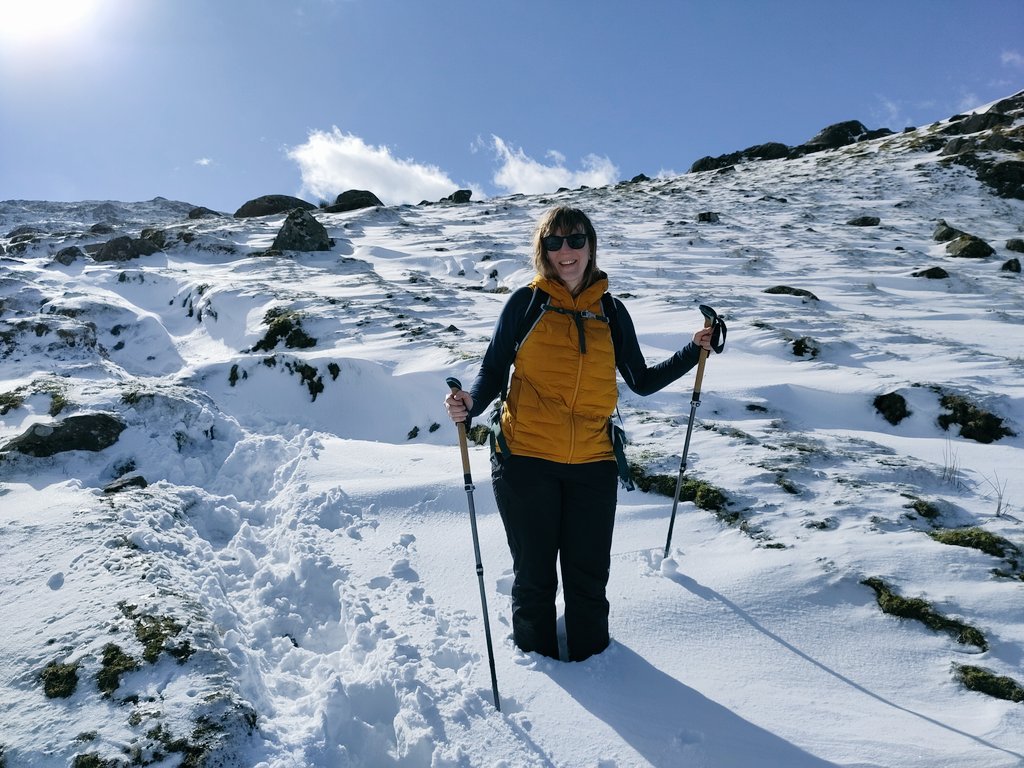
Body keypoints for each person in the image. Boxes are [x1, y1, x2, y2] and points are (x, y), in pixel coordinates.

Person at [444, 206, 714, 662]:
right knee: (534, 578)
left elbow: (640, 380)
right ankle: (537, 668)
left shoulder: (610, 310)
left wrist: (695, 350)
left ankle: (598, 670)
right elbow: (492, 371)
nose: (565, 251)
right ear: (543, 251)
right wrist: (470, 404)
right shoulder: (525, 304)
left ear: (591, 246)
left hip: (593, 463)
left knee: (588, 579)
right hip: (526, 459)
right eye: (554, 242)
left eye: (575, 240)